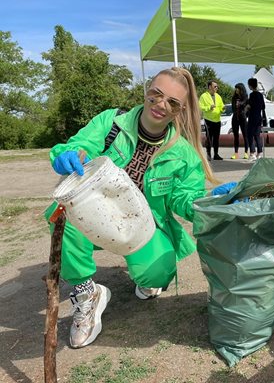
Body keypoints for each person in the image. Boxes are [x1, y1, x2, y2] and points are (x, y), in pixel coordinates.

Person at [46, 67, 221, 349]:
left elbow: (185, 199)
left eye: (172, 102)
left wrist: (209, 203)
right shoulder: (111, 122)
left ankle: (146, 273)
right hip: (96, 216)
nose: (160, 105)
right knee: (64, 216)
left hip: (143, 226)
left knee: (157, 275)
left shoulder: (184, 154)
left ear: (181, 109)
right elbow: (81, 144)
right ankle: (87, 294)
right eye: (156, 94)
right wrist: (66, 154)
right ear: (147, 90)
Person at [199, 80, 225, 161]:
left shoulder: (218, 96)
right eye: (215, 86)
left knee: (216, 138)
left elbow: (221, 106)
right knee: (209, 138)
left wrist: (223, 109)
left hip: (217, 120)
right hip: (208, 120)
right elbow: (200, 107)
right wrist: (209, 108)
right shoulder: (203, 96)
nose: (216, 88)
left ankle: (216, 154)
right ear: (210, 87)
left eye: (217, 86)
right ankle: (209, 154)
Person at [246, 78, 266, 161]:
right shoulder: (260, 95)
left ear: (250, 85)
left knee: (250, 135)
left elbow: (249, 106)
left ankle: (252, 153)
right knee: (257, 136)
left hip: (252, 117)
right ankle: (259, 154)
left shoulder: (252, 95)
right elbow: (263, 106)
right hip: (259, 117)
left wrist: (247, 108)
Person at [230, 83, 249, 160]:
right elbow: (233, 108)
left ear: (241, 89)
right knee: (236, 136)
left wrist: (243, 111)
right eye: (236, 88)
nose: (236, 90)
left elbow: (247, 107)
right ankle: (236, 153)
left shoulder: (245, 97)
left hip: (243, 118)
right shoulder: (234, 97)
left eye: (237, 88)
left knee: (245, 135)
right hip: (235, 118)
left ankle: (246, 153)